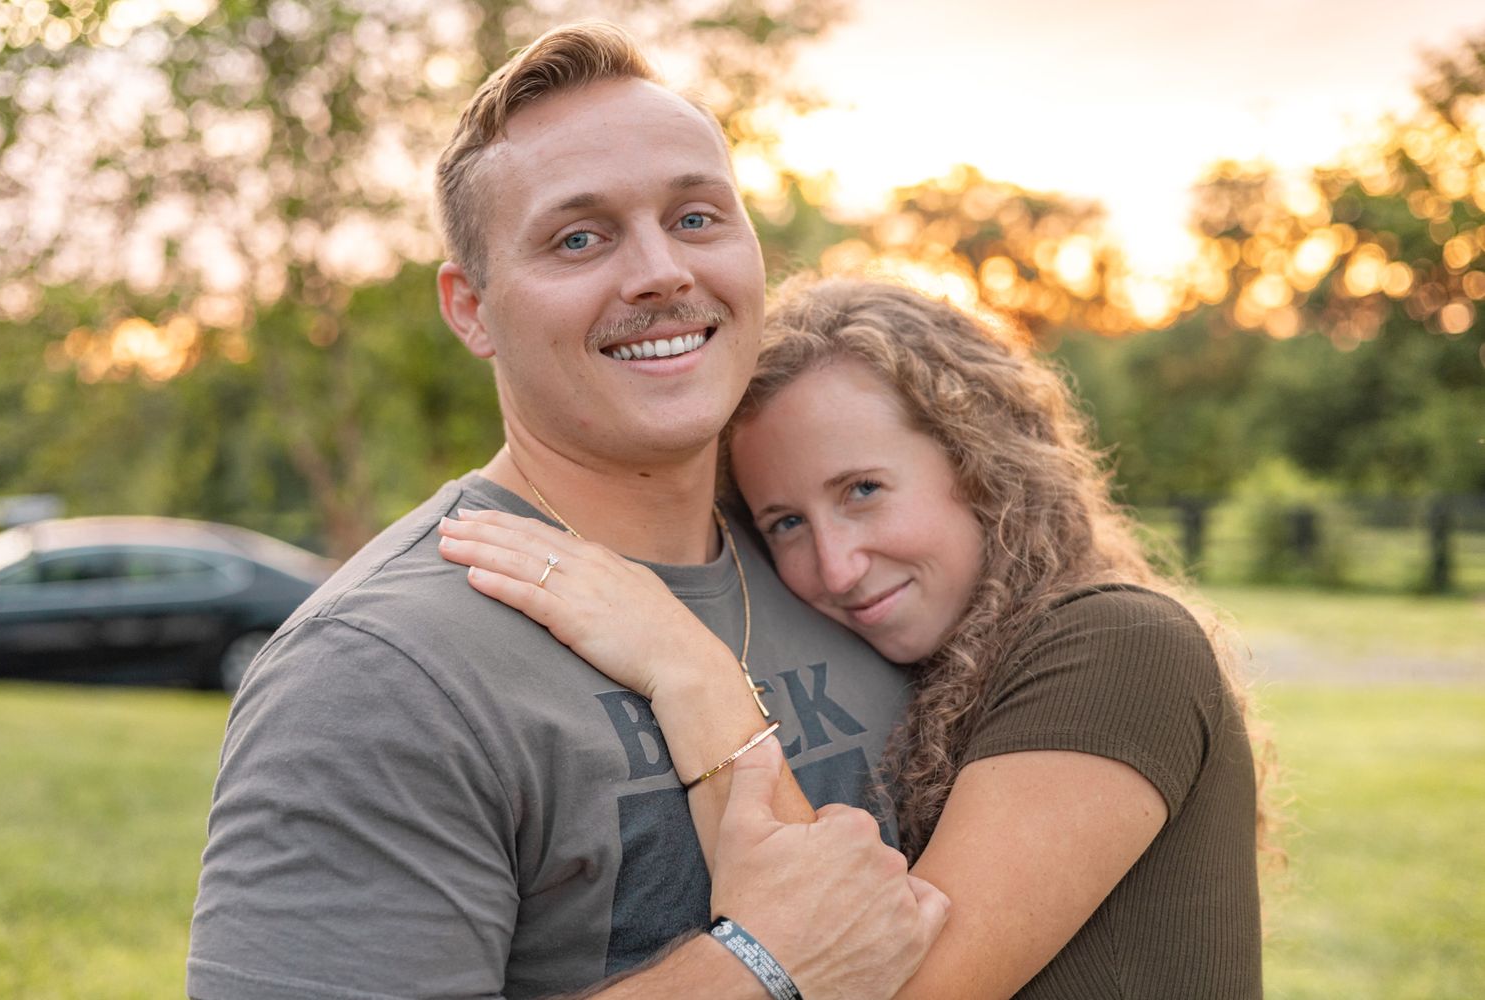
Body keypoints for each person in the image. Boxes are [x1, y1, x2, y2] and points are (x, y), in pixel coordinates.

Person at [187, 25, 948, 1000]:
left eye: (698, 217)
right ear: (470, 309)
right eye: (578, 238)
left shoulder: (854, 574)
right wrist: (762, 969)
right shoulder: (381, 669)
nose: (661, 272)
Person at [440, 277, 1268, 998]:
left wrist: (688, 665)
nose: (836, 566)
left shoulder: (1118, 646)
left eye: (864, 489)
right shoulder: (946, 670)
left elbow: (892, 979)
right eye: (787, 522)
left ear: (978, 464)